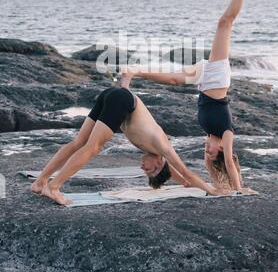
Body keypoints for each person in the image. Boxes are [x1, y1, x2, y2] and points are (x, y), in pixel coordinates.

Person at [121, 0, 255, 193]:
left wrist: (211, 184)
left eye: (206, 150)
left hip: (204, 83)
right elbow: (228, 162)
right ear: (222, 148)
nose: (207, 148)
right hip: (215, 81)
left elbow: (205, 166)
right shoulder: (226, 134)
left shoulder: (210, 135)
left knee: (173, 78)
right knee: (224, 22)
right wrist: (238, 189)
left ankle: (136, 71)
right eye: (210, 150)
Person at [31, 85, 225, 205]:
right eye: (149, 171)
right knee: (92, 147)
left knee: (79, 142)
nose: (143, 168)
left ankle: (40, 182)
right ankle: (53, 187)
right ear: (159, 164)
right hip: (122, 100)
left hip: (113, 94)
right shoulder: (164, 148)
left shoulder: (158, 154)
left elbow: (183, 178)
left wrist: (185, 184)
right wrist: (212, 191)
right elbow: (187, 173)